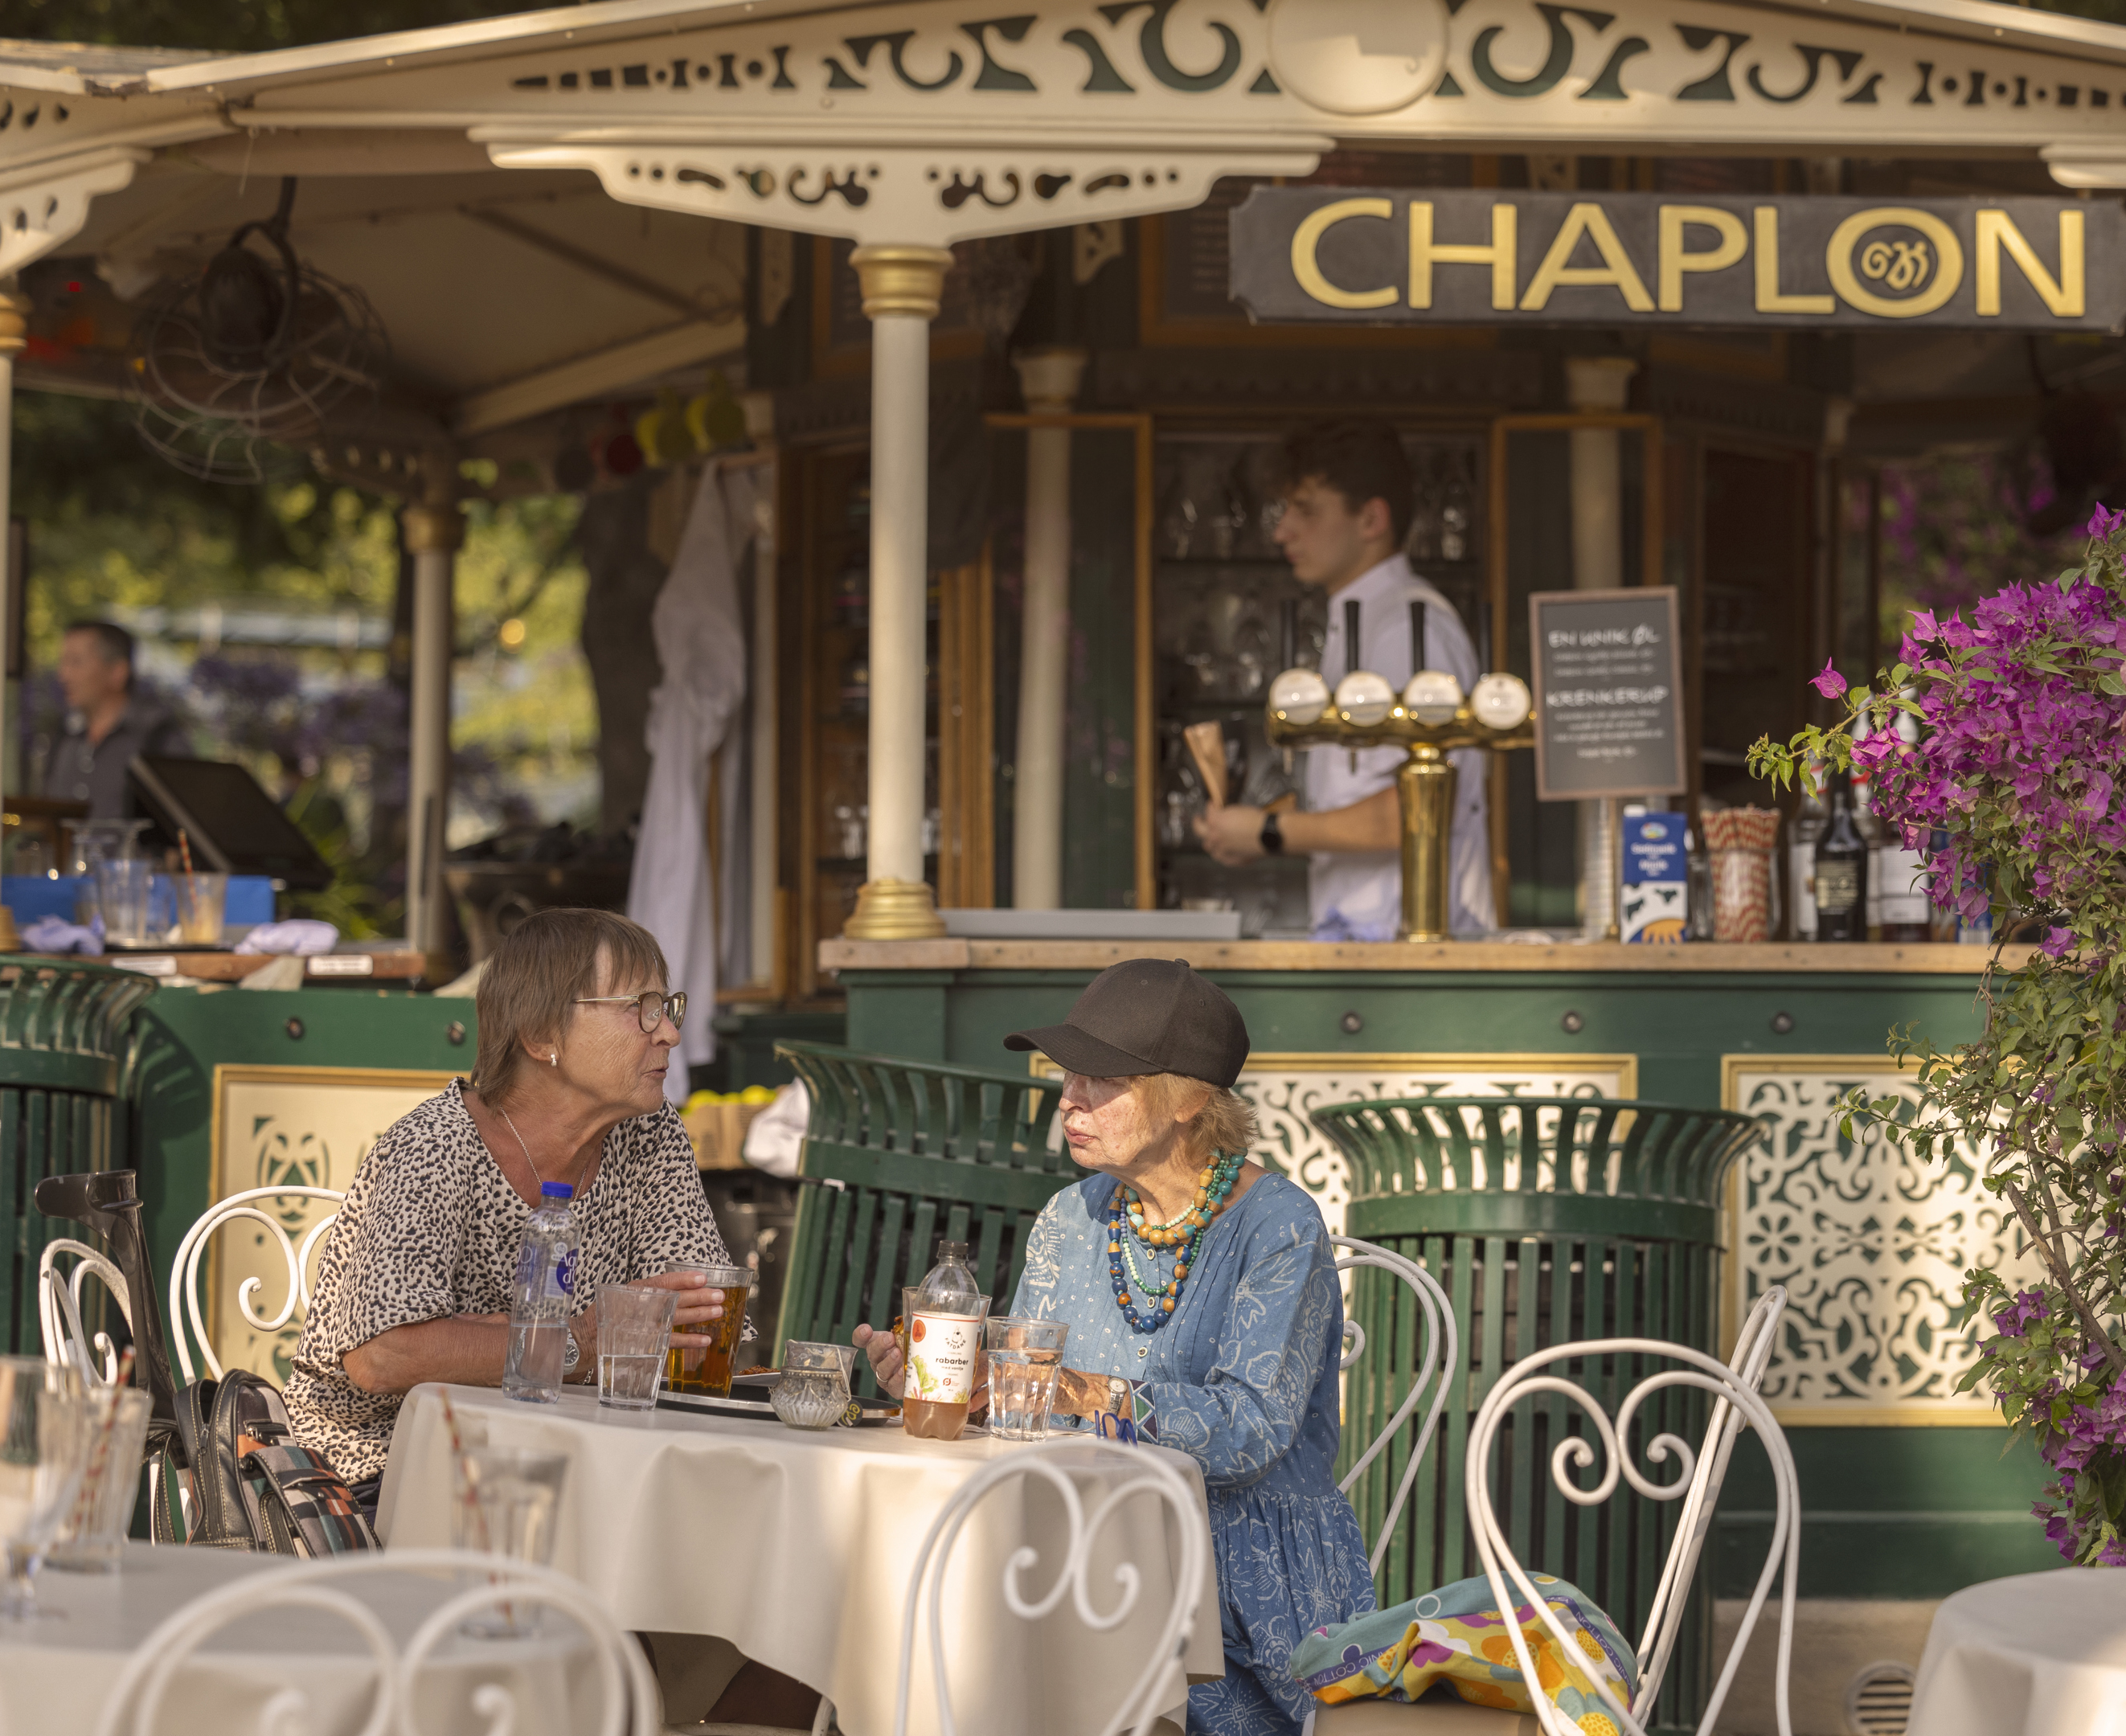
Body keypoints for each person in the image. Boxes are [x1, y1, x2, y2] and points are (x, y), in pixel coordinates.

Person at [854, 960, 1372, 1736]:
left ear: (1189, 1100)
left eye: (1099, 1080)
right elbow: (1024, 1399)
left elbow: (1250, 1431)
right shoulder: (1072, 1216)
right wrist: (952, 1392)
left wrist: (1086, 1394)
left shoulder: (1279, 1226)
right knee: (912, 1641)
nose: (1068, 1100)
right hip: (1078, 1560)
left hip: (1238, 1593)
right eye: (1068, 1076)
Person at [290, 908, 732, 1501]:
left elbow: (695, 1317)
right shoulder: (435, 1146)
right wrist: (576, 1342)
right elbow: (384, 1353)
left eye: (667, 1008)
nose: (670, 1034)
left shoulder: (649, 1135)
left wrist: (479, 1337)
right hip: (386, 1471)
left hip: (575, 1456)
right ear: (542, 1035)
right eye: (642, 1009)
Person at [1195, 421, 1490, 940]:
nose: (1282, 530)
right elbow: (1353, 793)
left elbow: (1418, 807)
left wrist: (1269, 833)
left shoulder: (1406, 627)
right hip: (1361, 939)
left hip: (1412, 946)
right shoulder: (1360, 620)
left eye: (1306, 510)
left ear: (1372, 518)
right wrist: (1250, 826)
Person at [36, 618, 192, 819]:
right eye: (63, 662)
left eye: (76, 662)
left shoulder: (157, 737)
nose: (63, 675)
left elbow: (182, 827)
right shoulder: (63, 736)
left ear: (118, 672)